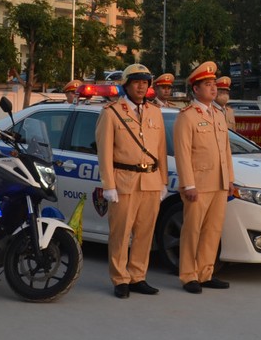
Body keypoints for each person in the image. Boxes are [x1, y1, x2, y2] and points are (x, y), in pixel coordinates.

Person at [95, 63, 168, 298]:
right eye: (136, 82)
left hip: (150, 180)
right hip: (124, 180)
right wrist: (108, 185)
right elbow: (104, 151)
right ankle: (120, 279)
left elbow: (160, 149)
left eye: (145, 82)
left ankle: (138, 276)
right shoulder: (111, 112)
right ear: (126, 85)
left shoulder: (155, 112)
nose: (141, 86)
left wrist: (163, 181)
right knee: (120, 232)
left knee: (145, 233)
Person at [173, 61, 234, 293]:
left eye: (213, 84)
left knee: (213, 230)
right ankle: (189, 275)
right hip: (198, 184)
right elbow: (183, 153)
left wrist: (229, 179)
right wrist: (188, 184)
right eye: (207, 84)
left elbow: (225, 150)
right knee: (192, 230)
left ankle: (206, 272)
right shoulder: (186, 116)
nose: (213, 88)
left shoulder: (219, 115)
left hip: (218, 183)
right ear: (195, 89)